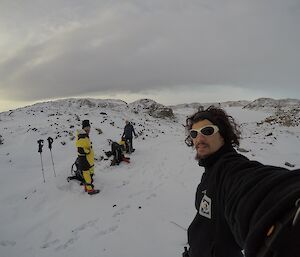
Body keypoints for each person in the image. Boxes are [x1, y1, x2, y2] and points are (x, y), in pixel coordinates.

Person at [183, 106, 300, 257]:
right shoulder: (210, 170)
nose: (199, 138)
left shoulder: (229, 168)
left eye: (207, 131)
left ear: (223, 135)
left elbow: (252, 187)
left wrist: (288, 210)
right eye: (194, 133)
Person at [75, 120, 99, 195]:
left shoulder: (85, 135)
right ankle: (90, 190)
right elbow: (80, 149)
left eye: (89, 127)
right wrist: (87, 151)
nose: (88, 129)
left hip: (88, 160)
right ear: (83, 128)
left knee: (89, 174)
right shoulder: (82, 137)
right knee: (87, 174)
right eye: (86, 127)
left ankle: (87, 185)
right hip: (84, 160)